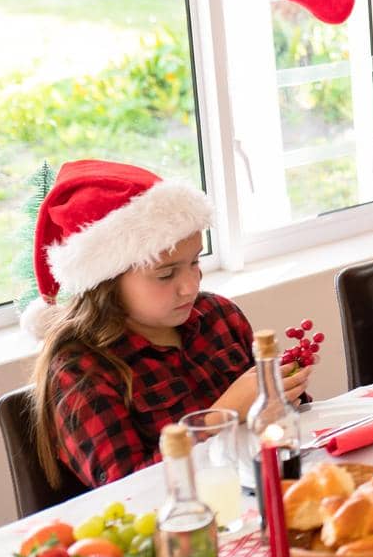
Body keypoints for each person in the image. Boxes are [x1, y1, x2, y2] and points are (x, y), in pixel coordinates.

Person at [23, 161, 311, 488]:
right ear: (106, 283)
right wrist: (221, 415)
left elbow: (279, 429)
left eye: (194, 262)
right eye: (166, 274)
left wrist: (283, 394)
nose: (190, 285)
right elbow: (130, 488)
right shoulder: (79, 371)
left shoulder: (219, 316)